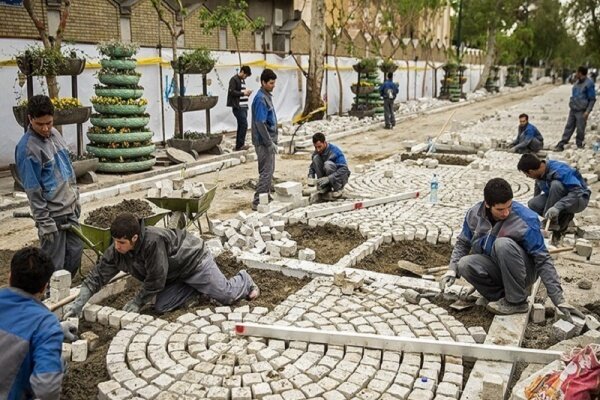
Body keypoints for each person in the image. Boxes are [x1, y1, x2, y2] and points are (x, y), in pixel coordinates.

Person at [439, 178, 583, 320]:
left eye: (509, 206)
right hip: (497, 266)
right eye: (500, 209)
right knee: (464, 264)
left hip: (524, 271)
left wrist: (559, 299)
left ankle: (517, 301)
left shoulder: (525, 219)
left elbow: (543, 259)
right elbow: (463, 243)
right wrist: (452, 270)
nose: (506, 213)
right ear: (487, 204)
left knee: (503, 244)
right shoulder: (474, 214)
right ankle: (503, 296)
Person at [64, 213, 259, 317]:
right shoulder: (117, 251)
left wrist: (137, 301)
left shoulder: (152, 242)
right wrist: (80, 302)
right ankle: (197, 290)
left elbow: (156, 280)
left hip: (194, 261)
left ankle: (245, 280)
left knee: (226, 296)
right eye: (114, 241)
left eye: (121, 242)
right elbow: (97, 276)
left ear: (134, 237)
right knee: (162, 306)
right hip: (174, 274)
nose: (117, 246)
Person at [15, 94, 83, 275]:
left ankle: (64, 291)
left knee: (75, 253)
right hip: (52, 215)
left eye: (49, 123)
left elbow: (68, 169)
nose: (45, 128)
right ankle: (50, 297)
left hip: (70, 210)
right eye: (40, 124)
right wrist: (44, 221)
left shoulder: (56, 135)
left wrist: (75, 197)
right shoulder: (27, 148)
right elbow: (32, 189)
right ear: (30, 119)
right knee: (54, 265)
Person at [0, 247, 78, 400]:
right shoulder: (45, 325)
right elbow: (47, 388)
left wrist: (55, 329)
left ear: (9, 277)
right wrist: (49, 332)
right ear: (44, 287)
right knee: (60, 365)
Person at [517, 153, 590, 246]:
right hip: (561, 198)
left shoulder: (560, 170)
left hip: (579, 200)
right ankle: (559, 218)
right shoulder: (539, 172)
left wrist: (557, 207)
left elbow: (577, 191)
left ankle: (554, 223)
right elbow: (538, 183)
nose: (527, 177)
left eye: (526, 174)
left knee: (556, 185)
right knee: (533, 203)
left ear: (531, 171)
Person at [251, 68, 278, 211]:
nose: (273, 85)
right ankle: (258, 201)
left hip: (269, 140)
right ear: (263, 82)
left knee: (270, 170)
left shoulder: (266, 96)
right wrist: (269, 143)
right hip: (263, 142)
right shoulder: (261, 99)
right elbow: (260, 123)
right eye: (271, 83)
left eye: (274, 83)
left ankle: (265, 196)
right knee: (266, 171)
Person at [554, 66, 596, 151]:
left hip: (581, 110)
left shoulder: (589, 83)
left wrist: (587, 111)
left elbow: (592, 99)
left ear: (580, 73)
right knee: (569, 126)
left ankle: (579, 144)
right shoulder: (577, 82)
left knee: (580, 128)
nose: (576, 74)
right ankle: (562, 143)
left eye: (577, 72)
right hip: (573, 109)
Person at [308, 132, 350, 198]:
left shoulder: (335, 151)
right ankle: (325, 187)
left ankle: (338, 189)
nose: (317, 149)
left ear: (324, 143)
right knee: (315, 158)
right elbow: (312, 166)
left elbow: (344, 169)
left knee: (327, 164)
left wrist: (329, 178)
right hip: (327, 178)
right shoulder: (316, 152)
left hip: (340, 179)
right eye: (315, 147)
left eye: (319, 147)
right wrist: (311, 175)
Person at [227, 65, 253, 151]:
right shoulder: (234, 79)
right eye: (245, 75)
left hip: (244, 106)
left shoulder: (242, 80)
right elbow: (232, 92)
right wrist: (243, 94)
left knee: (241, 125)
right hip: (238, 107)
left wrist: (247, 93)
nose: (245, 77)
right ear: (242, 71)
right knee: (244, 125)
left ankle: (239, 145)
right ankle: (240, 145)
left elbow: (241, 92)